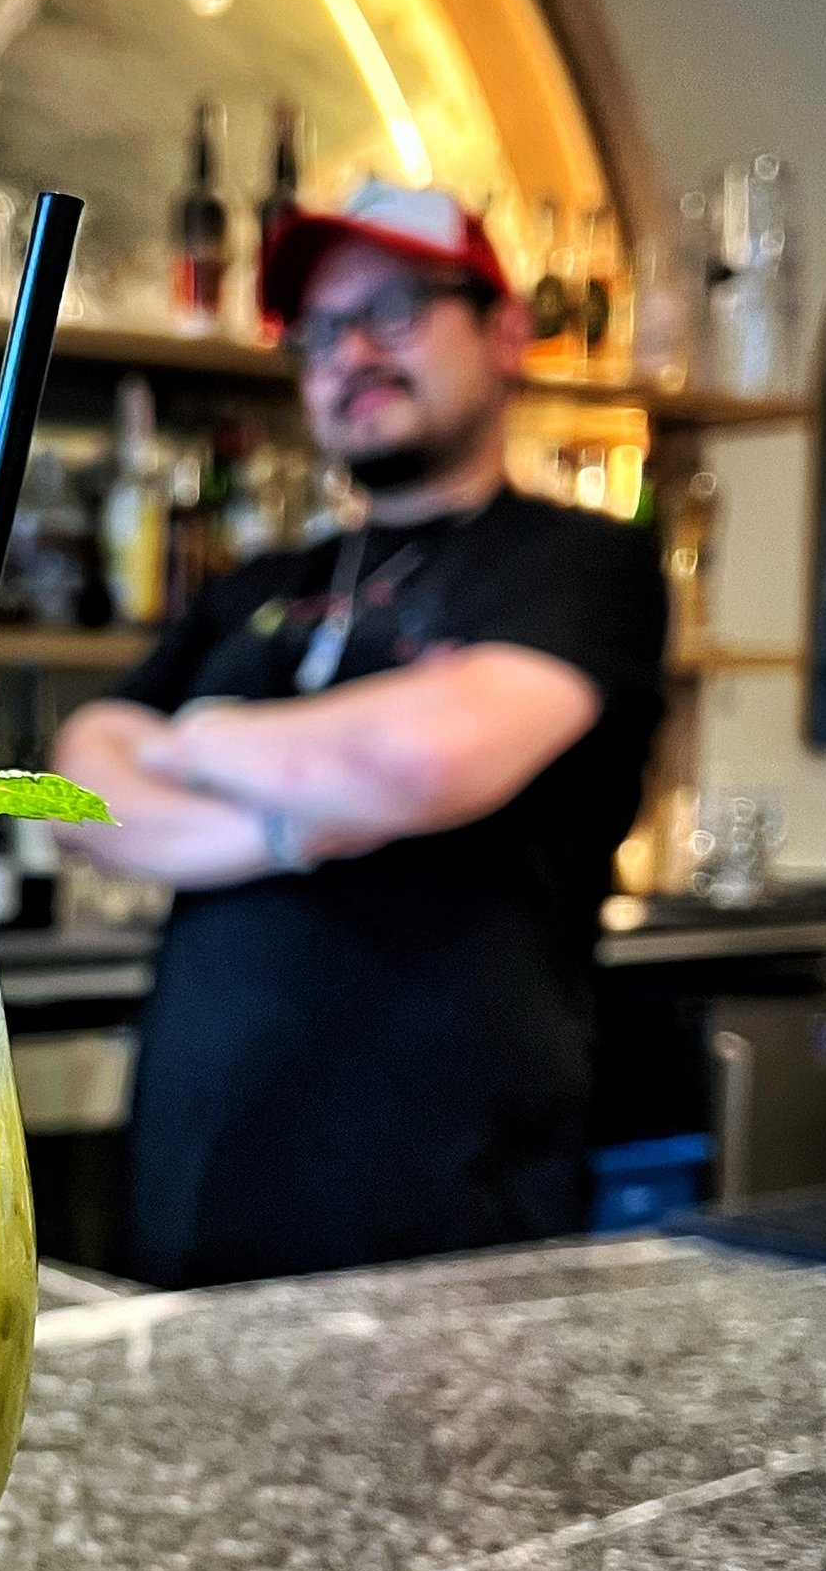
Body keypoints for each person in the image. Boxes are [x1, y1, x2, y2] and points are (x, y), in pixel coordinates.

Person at [55, 181, 666, 1286]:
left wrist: (195, 738)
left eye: (393, 311)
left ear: (506, 331)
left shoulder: (578, 563)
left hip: (450, 1183)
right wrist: (295, 828)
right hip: (201, 1169)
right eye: (321, 333)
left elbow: (419, 758)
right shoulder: (258, 585)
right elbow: (80, 782)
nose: (350, 354)